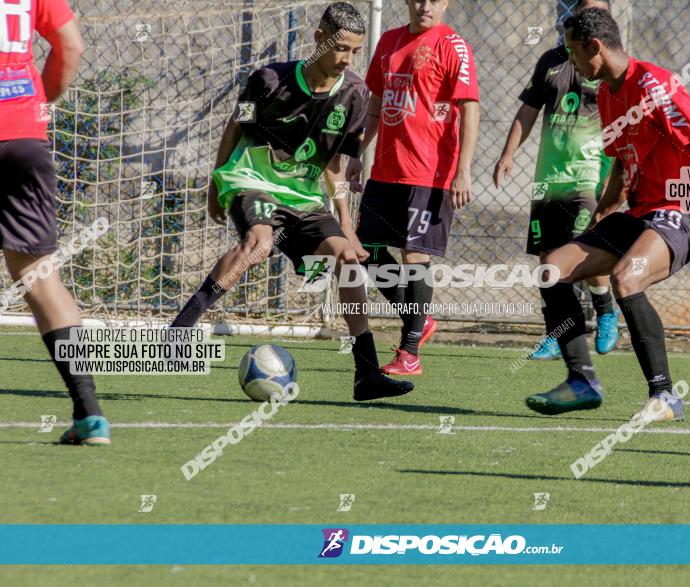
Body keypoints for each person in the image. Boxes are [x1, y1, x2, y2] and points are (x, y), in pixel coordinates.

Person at [170, 2, 413, 401]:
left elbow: (334, 164)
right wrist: (216, 184)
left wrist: (348, 230)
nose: (347, 59)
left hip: (304, 195)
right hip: (251, 179)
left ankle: (366, 374)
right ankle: (178, 334)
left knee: (348, 261)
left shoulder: (354, 95)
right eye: (341, 48)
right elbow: (235, 127)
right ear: (319, 39)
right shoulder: (268, 80)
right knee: (259, 244)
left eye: (355, 51)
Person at [526, 8, 690, 420]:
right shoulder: (607, 94)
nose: (570, 60)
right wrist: (602, 212)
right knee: (551, 269)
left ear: (594, 47)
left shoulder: (654, 83)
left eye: (572, 51)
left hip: (686, 210)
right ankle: (582, 380)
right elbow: (620, 163)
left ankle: (665, 396)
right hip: (642, 211)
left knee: (626, 277)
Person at [0, 0, 110, 444]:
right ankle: (89, 414)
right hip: (26, 135)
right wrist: (37, 102)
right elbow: (71, 44)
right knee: (40, 275)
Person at [354, 0, 479, 376]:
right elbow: (376, 101)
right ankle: (419, 321)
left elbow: (470, 106)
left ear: (446, 4)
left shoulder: (453, 45)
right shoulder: (389, 42)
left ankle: (410, 353)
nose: (425, 6)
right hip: (385, 171)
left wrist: (464, 169)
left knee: (414, 258)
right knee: (365, 251)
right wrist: (358, 151)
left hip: (428, 175)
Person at [494, 0, 619, 362]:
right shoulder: (552, 60)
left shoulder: (606, 67)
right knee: (548, 260)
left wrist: (613, 178)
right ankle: (555, 333)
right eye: (584, 11)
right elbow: (529, 109)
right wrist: (508, 153)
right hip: (547, 178)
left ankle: (605, 309)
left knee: (582, 252)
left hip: (588, 177)